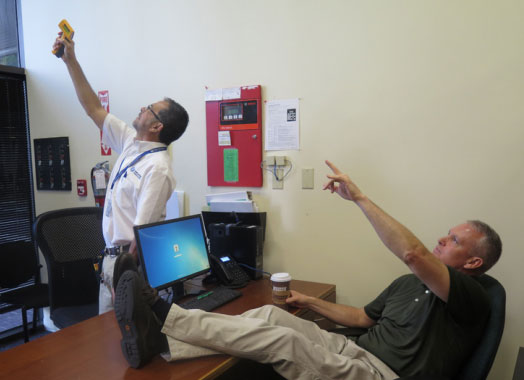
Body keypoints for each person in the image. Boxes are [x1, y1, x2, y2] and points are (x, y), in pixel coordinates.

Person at [112, 160, 502, 379]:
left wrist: (360, 198)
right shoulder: (407, 284)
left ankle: (164, 316)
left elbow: (414, 253)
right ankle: (165, 342)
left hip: (385, 377)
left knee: (285, 343)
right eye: (446, 235)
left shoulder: (474, 296)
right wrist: (308, 301)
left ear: (473, 262)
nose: (441, 240)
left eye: (453, 241)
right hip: (355, 352)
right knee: (269, 314)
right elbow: (363, 318)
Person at [53, 34, 189, 314]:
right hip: (112, 260)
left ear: (157, 127)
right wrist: (71, 60)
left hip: (131, 265)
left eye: (149, 109)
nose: (141, 108)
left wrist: (124, 281)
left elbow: (142, 235)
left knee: (125, 343)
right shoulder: (130, 143)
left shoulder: (158, 168)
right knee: (108, 342)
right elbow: (93, 108)